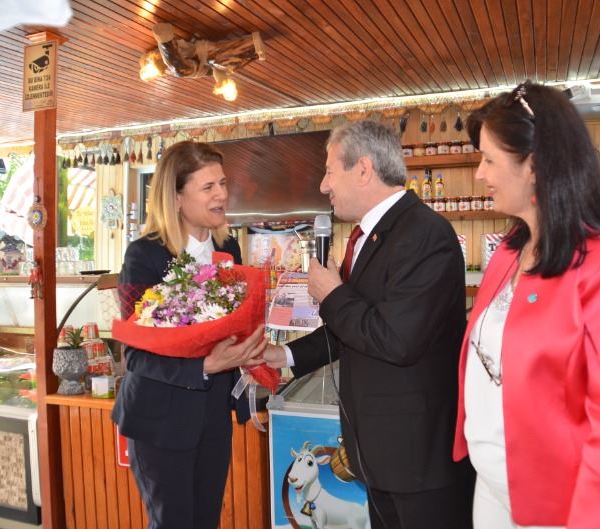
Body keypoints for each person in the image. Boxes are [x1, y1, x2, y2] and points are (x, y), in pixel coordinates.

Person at [454, 82, 600, 529]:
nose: (480, 174)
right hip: (493, 484)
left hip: (568, 497)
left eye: (489, 159)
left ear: (535, 165)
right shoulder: (509, 251)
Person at [264, 120, 474, 529]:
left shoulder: (426, 234)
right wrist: (284, 354)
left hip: (418, 464)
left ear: (363, 169)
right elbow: (353, 329)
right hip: (376, 457)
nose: (324, 186)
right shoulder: (367, 237)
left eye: (329, 171)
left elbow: (397, 339)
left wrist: (332, 295)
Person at [111, 141, 267, 529]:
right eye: (208, 187)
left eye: (223, 184)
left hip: (213, 416)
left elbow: (236, 325)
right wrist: (205, 366)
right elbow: (136, 354)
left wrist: (250, 360)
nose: (221, 195)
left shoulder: (229, 248)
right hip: (160, 419)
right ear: (177, 198)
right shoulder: (143, 257)